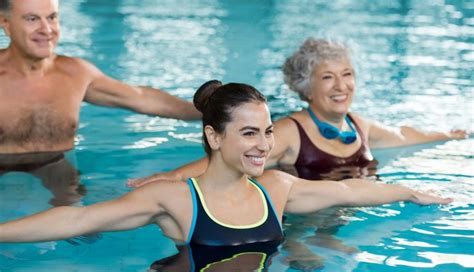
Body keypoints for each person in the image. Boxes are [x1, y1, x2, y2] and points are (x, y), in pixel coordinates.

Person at [0, 81, 453, 270]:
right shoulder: (177, 199)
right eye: (249, 133)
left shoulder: (276, 189)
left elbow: (350, 190)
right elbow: (79, 220)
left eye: (269, 132)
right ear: (214, 138)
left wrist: (413, 192)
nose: (264, 145)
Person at [128, 38, 467, 184]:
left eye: (347, 75)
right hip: (302, 225)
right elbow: (224, 160)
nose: (341, 86)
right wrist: (170, 177)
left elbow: (403, 136)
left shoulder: (358, 125)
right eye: (328, 77)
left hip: (352, 212)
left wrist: (450, 136)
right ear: (306, 86)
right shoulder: (290, 131)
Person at [0, 0, 201, 156]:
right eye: (32, 19)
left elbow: (141, 97)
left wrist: (208, 110)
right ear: (5, 23)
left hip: (60, 172)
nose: (47, 30)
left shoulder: (75, 74)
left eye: (52, 17)